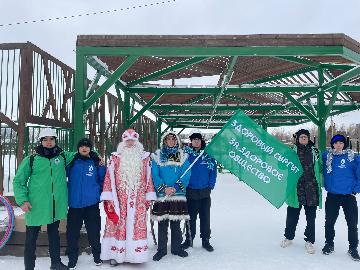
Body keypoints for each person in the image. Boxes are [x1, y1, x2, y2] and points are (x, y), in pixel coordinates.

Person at [13, 128, 76, 270]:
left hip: (54, 206)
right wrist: (23, 200)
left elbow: (83, 151)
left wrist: (97, 156)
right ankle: (29, 266)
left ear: (55, 141)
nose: (49, 142)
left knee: (54, 236)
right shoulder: (31, 159)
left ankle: (56, 263)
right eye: (45, 139)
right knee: (31, 240)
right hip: (35, 206)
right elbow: (18, 181)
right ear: (41, 142)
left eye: (51, 139)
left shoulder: (62, 157)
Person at [100, 129, 156, 266]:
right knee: (118, 224)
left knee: (137, 226)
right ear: (123, 142)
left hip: (139, 199)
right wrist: (109, 197)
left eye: (132, 140)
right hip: (119, 199)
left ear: (137, 142)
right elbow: (108, 177)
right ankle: (116, 254)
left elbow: (149, 177)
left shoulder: (145, 158)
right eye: (127, 141)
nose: (130, 143)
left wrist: (149, 196)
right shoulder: (116, 158)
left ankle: (136, 255)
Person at [66, 138, 106, 269]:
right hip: (74, 205)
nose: (84, 148)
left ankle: (97, 256)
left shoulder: (95, 163)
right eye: (82, 146)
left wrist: (97, 194)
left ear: (90, 148)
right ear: (78, 148)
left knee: (94, 232)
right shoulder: (71, 162)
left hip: (91, 205)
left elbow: (102, 180)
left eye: (87, 146)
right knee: (72, 233)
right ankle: (72, 258)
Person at [151, 131, 191, 261]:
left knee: (175, 222)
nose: (171, 141)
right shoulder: (158, 156)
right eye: (168, 139)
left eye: (173, 139)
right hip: (163, 195)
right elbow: (155, 174)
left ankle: (176, 248)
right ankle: (161, 250)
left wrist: (176, 187)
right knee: (162, 223)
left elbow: (186, 173)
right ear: (164, 141)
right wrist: (164, 188)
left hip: (177, 194)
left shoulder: (182, 156)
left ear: (177, 141)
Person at [280, 129, 322, 254]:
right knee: (292, 215)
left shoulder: (315, 151)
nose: (304, 138)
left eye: (306, 137)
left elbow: (320, 166)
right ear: (297, 138)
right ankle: (288, 237)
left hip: (311, 189)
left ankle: (310, 241)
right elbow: (281, 165)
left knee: (311, 218)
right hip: (296, 188)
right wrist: (285, 155)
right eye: (301, 137)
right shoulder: (291, 151)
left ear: (308, 138)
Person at [322, 134, 360, 261]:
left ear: (344, 144)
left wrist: (355, 189)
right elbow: (312, 159)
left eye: (341, 143)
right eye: (336, 143)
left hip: (348, 196)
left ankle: (353, 247)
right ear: (332, 144)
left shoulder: (352, 157)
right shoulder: (327, 156)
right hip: (333, 196)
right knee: (329, 222)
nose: (338, 145)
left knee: (352, 223)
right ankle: (329, 244)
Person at [181, 130, 217, 252]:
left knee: (205, 218)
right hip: (190, 191)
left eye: (198, 139)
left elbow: (213, 171)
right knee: (190, 218)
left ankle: (206, 240)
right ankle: (189, 239)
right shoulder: (186, 155)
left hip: (204, 192)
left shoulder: (208, 155)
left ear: (201, 141)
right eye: (194, 139)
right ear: (191, 141)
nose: (196, 141)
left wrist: (210, 185)